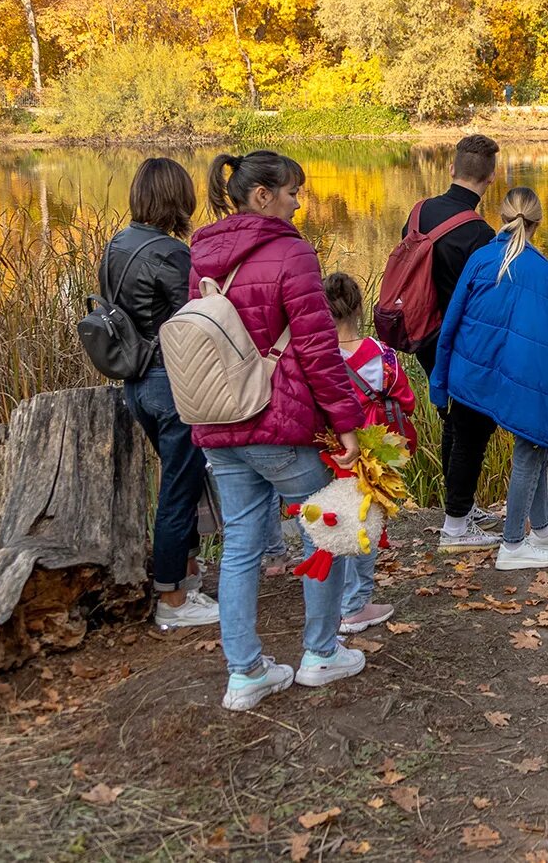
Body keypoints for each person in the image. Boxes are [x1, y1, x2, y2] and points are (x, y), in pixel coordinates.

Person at [188, 151, 368, 711]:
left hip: (219, 419)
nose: (299, 201)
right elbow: (317, 348)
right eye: (292, 191)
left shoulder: (202, 254)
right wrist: (347, 422)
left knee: (240, 544)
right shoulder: (291, 251)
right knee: (328, 528)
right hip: (277, 423)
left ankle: (244, 675)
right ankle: (320, 652)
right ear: (262, 195)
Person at [431, 187, 548, 571]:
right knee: (531, 447)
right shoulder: (544, 273)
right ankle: (512, 544)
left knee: (535, 445)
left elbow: (451, 323)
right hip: (525, 379)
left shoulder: (480, 258)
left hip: (475, 376)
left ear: (501, 216)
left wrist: (440, 385)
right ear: (538, 222)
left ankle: (540, 528)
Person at [105, 157, 218, 631]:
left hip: (135, 384)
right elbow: (191, 322)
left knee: (179, 480)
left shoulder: (118, 243)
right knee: (178, 489)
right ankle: (172, 600)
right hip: (170, 384)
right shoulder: (171, 253)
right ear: (177, 198)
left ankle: (187, 572)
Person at [415, 135, 504, 551]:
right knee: (473, 425)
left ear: (452, 169)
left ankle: (461, 508)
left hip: (422, 337)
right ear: (490, 177)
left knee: (453, 419)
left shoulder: (420, 212)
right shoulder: (481, 234)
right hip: (461, 342)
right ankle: (455, 526)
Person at [323, 271, 416, 634]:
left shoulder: (316, 356)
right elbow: (405, 401)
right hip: (371, 454)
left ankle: (329, 601)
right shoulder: (382, 355)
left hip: (328, 450)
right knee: (364, 523)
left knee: (331, 523)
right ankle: (355, 605)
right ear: (360, 307)